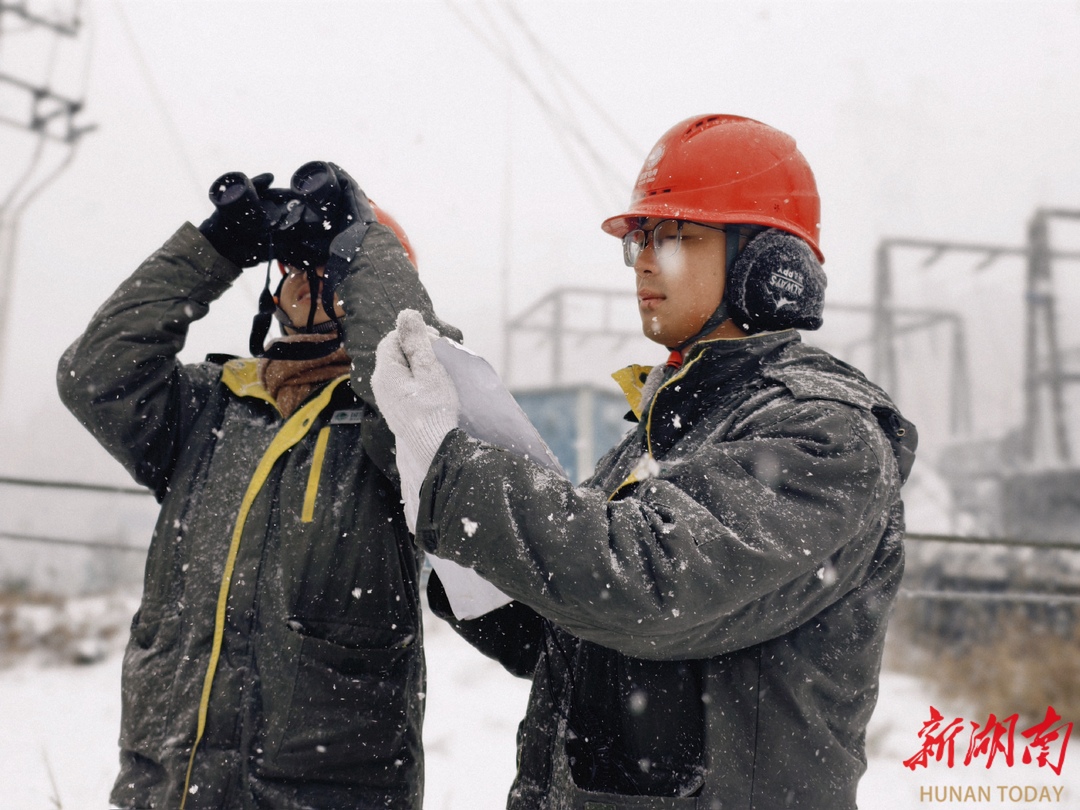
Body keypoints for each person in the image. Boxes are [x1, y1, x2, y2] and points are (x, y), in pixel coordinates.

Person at [371, 115, 917, 809]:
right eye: (639, 242)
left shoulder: (824, 435)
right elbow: (558, 636)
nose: (647, 263)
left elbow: (644, 583)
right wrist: (443, 498)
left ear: (770, 267)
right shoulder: (660, 432)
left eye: (676, 237)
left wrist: (462, 478)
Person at [57, 162, 458, 809]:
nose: (304, 278)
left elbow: (418, 390)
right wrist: (215, 248)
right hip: (170, 787)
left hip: (323, 795)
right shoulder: (208, 410)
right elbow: (94, 374)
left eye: (325, 266)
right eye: (293, 266)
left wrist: (363, 244)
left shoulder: (398, 421)